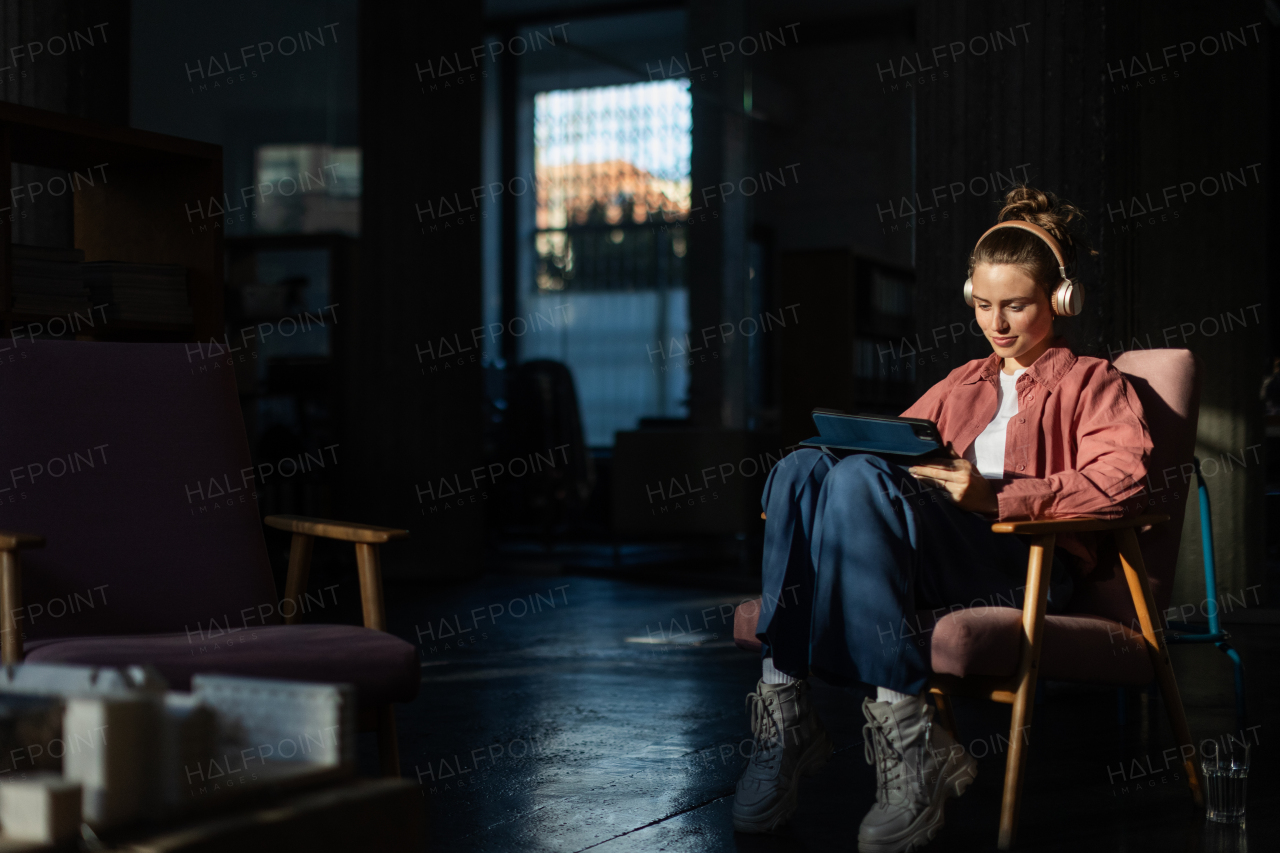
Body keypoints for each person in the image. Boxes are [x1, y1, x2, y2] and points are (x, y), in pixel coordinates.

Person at [731, 187, 1153, 853]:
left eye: (1015, 304)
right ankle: (785, 714)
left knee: (859, 477)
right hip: (936, 558)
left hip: (1024, 564)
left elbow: (1123, 481)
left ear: (1060, 300)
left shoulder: (1094, 382)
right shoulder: (962, 381)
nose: (998, 322)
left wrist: (996, 494)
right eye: (984, 305)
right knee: (804, 468)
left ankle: (908, 740)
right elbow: (886, 451)